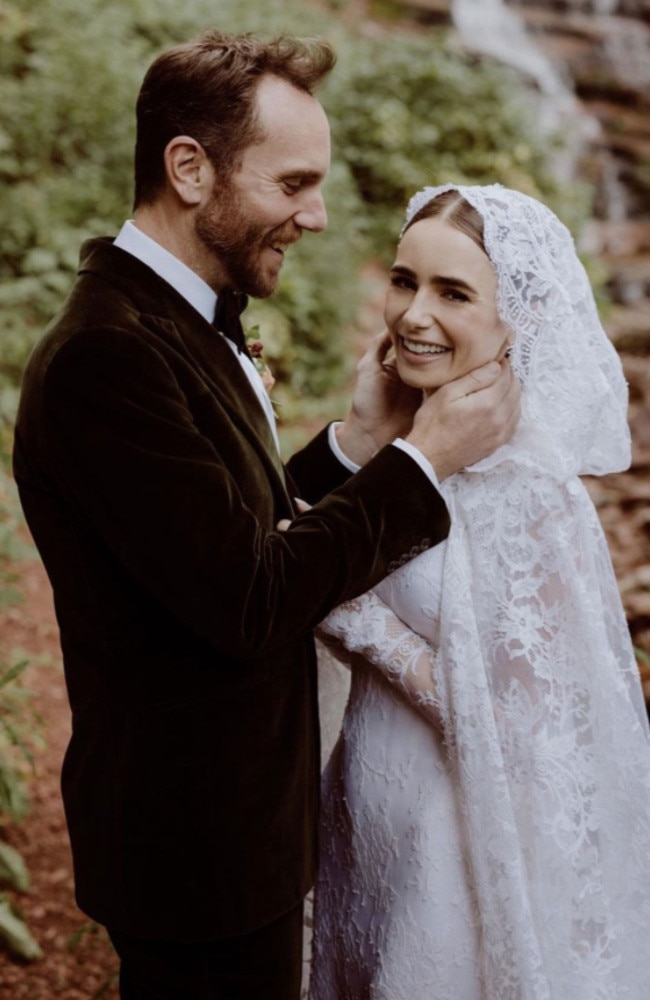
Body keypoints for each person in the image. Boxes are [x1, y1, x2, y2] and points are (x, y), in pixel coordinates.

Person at [11, 31, 521, 1000]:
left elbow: (214, 536)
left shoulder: (170, 323)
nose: (316, 216)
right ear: (189, 168)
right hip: (191, 841)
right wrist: (421, 464)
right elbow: (246, 596)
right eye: (292, 183)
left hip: (235, 829)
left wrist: (354, 450)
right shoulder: (105, 355)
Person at [308, 184, 650, 999]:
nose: (414, 315)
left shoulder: (530, 488)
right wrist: (363, 443)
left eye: (453, 293)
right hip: (372, 807)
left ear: (514, 322)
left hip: (453, 846)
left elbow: (521, 723)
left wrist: (343, 612)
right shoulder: (409, 445)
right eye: (405, 280)